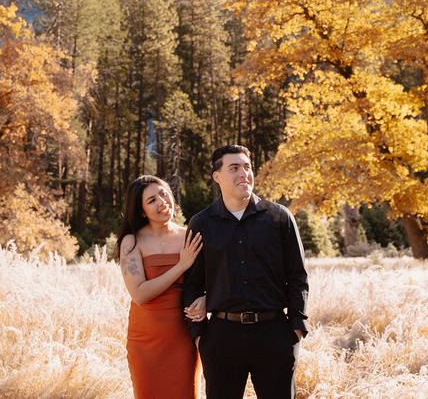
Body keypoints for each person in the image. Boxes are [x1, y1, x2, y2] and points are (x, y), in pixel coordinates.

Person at [182, 144, 309, 399]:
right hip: (221, 338)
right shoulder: (202, 223)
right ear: (217, 176)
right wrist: (200, 337)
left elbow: (298, 276)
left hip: (274, 335)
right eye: (234, 168)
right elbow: (191, 283)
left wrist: (295, 329)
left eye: (247, 167)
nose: (244, 174)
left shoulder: (279, 217)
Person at [118, 175, 206, 399]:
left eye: (164, 193)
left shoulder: (190, 236)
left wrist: (206, 300)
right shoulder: (132, 241)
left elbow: (210, 281)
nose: (162, 201)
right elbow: (139, 293)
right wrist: (181, 265)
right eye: (152, 200)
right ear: (140, 211)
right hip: (146, 338)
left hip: (183, 335)